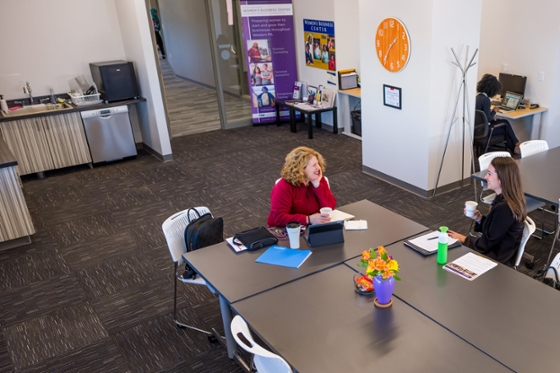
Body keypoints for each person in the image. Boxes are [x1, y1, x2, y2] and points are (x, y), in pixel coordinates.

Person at [448, 157, 526, 265]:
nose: (485, 177)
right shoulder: (504, 200)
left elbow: (486, 244)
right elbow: (495, 231)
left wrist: (463, 239)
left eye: (489, 174)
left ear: (502, 178)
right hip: (496, 252)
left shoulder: (505, 209)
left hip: (496, 259)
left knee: (451, 254)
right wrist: (479, 219)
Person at [268, 147, 336, 227]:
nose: (319, 168)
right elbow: (279, 218)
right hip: (290, 229)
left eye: (318, 163)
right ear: (301, 169)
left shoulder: (318, 179)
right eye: (314, 165)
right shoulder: (283, 186)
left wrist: (317, 185)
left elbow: (330, 207)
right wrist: (308, 219)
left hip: (313, 226)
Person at [476, 74, 520, 156]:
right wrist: (494, 111)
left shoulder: (478, 97)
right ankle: (516, 146)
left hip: (478, 129)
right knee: (505, 127)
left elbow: (484, 116)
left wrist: (492, 117)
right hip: (485, 130)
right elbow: (488, 119)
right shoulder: (486, 100)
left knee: (505, 122)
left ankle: (515, 147)